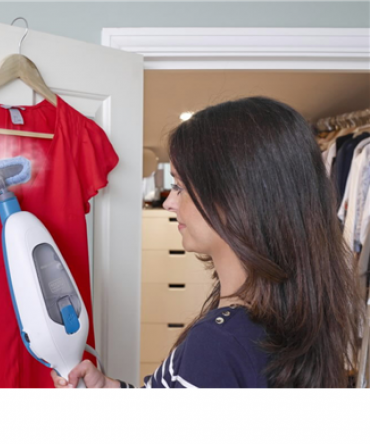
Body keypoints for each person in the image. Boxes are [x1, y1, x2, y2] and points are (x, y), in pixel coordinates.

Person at [51, 96, 365, 388]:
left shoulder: (219, 344)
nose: (169, 203)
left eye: (179, 186)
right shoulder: (285, 319)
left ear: (236, 198)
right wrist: (112, 389)